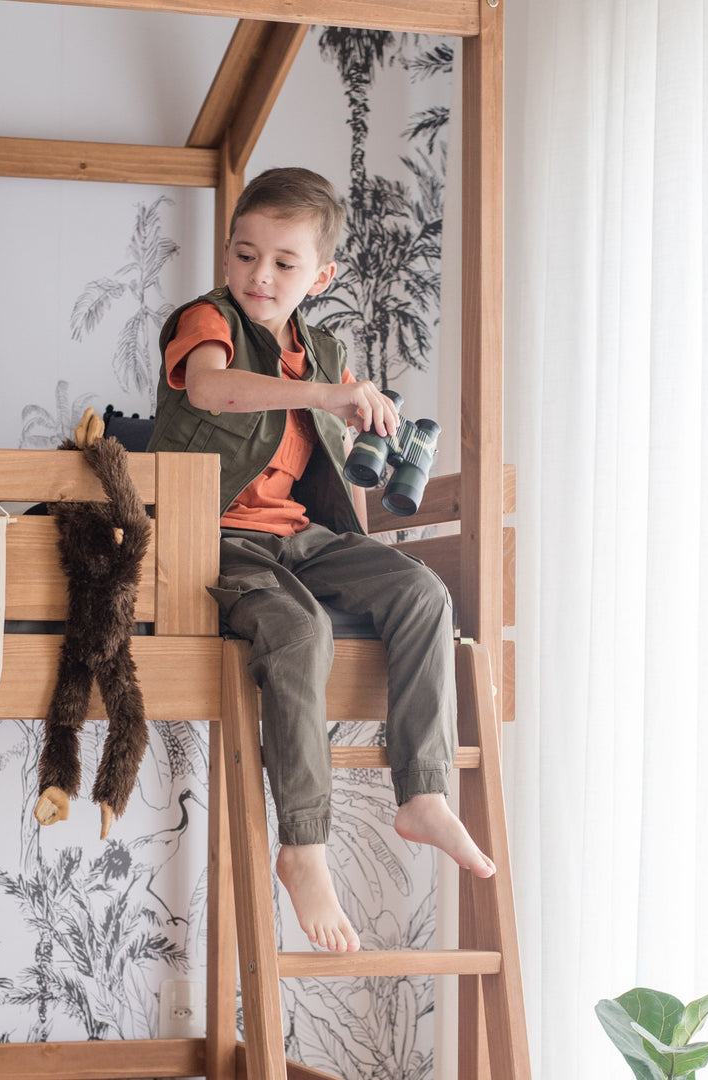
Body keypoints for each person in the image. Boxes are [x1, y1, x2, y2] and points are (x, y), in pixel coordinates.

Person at [146, 167, 495, 953]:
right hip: (216, 535)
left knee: (422, 595)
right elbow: (211, 392)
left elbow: (338, 478)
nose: (259, 276)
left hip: (302, 537)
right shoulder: (207, 321)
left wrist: (362, 429)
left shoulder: (327, 350)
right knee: (302, 634)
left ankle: (425, 793)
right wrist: (325, 397)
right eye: (244, 255)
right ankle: (303, 847)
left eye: (282, 263)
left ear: (321, 275)